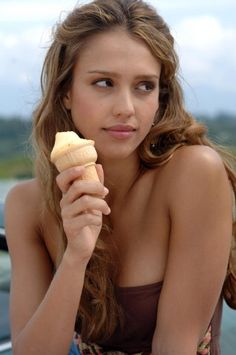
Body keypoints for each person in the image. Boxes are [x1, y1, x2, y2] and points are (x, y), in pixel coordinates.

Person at [4, 0, 236, 354]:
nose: (126, 108)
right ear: (66, 92)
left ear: (160, 96)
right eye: (104, 82)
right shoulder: (27, 205)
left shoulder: (193, 174)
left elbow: (175, 346)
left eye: (144, 86)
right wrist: (76, 255)